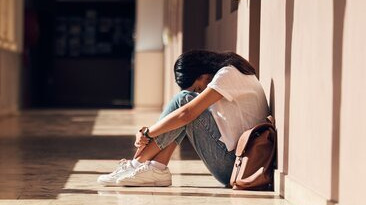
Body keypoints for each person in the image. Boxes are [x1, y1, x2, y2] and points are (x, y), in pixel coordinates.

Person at [98, 50, 269, 187]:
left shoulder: (228, 74)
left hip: (236, 166)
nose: (200, 92)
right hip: (236, 163)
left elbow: (186, 113)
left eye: (198, 87)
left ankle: (139, 165)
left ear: (203, 74)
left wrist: (148, 133)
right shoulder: (235, 70)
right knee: (183, 109)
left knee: (184, 102)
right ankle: (154, 167)